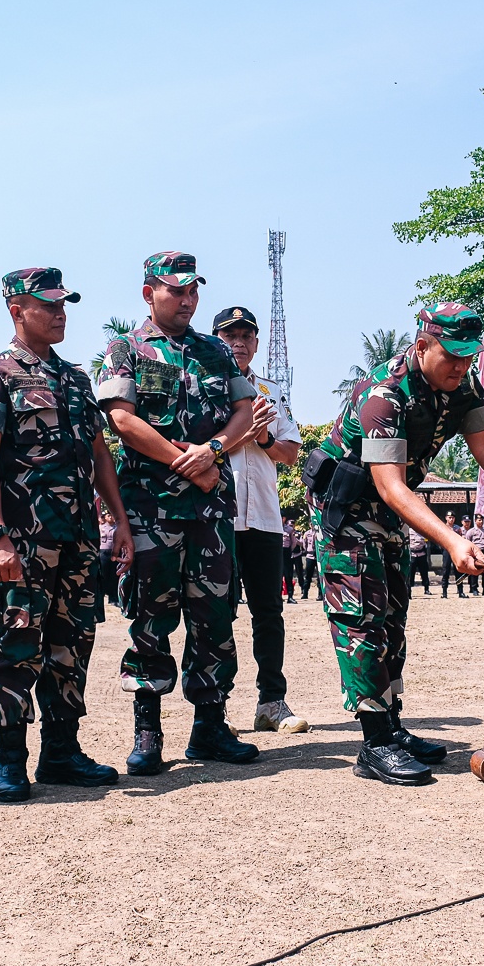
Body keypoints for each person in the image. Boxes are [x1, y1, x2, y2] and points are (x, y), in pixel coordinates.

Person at [310, 302, 484, 785]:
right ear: (423, 345)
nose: (462, 366)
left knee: (393, 615)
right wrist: (452, 540)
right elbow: (390, 485)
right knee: (361, 618)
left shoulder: (463, 387)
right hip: (347, 509)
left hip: (390, 509)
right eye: (453, 355)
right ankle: (374, 744)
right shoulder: (384, 395)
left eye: (469, 356)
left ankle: (392, 726)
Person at [0, 267, 134, 801]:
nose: (61, 314)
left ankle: (61, 753)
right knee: (18, 644)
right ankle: (9, 760)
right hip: (23, 540)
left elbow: (100, 457)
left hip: (78, 539)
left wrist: (119, 520)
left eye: (64, 305)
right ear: (17, 310)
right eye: (49, 305)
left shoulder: (77, 379)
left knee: (73, 645)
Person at [98, 252, 260, 775]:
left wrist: (213, 451)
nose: (188, 300)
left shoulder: (216, 351)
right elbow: (122, 420)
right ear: (150, 293)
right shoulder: (126, 349)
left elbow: (245, 412)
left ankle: (210, 726)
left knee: (215, 615)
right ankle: (148, 730)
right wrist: (185, 462)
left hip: (210, 510)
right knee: (150, 613)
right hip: (152, 509)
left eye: (194, 291)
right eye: (177, 290)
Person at [211, 305, 308, 735]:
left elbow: (291, 454)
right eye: (229, 335)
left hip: (266, 517)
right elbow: (199, 449)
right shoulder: (205, 388)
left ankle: (272, 701)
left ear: (255, 342)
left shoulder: (269, 390)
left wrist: (264, 438)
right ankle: (217, 707)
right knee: (219, 611)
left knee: (269, 612)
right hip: (220, 516)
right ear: (215, 340)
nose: (238, 343)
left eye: (246, 336)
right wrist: (240, 434)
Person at [465, 514, 484, 595]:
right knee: (475, 570)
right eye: (479, 520)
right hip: (476, 553)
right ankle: (474, 588)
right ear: (475, 521)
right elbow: (468, 542)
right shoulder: (471, 531)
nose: (481, 521)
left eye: (482, 520)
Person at [406, 525, 431, 594]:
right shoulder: (408, 531)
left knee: (424, 573)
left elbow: (427, 542)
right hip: (412, 554)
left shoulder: (422, 531)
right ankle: (409, 591)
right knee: (410, 574)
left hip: (422, 554)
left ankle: (426, 589)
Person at [281, 515, 298, 604]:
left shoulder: (289, 529)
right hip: (277, 553)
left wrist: (289, 550)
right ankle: (278, 597)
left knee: (288, 575)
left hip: (286, 552)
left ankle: (290, 596)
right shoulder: (274, 528)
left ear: (284, 518)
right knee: (277, 576)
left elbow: (294, 542)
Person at [299, 522, 318, 599]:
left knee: (319, 576)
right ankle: (305, 593)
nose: (312, 525)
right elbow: (304, 544)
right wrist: (308, 551)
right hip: (310, 556)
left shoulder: (319, 533)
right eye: (311, 524)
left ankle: (320, 594)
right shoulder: (307, 534)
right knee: (308, 576)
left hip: (318, 556)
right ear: (310, 525)